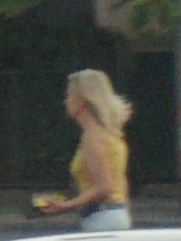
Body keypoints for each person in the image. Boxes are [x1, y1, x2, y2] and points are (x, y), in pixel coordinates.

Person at [35, 69, 132, 231]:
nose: (65, 101)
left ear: (83, 101)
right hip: (116, 213)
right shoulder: (110, 133)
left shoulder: (92, 136)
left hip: (102, 217)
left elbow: (104, 187)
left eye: (69, 95)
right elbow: (120, 182)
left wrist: (65, 206)